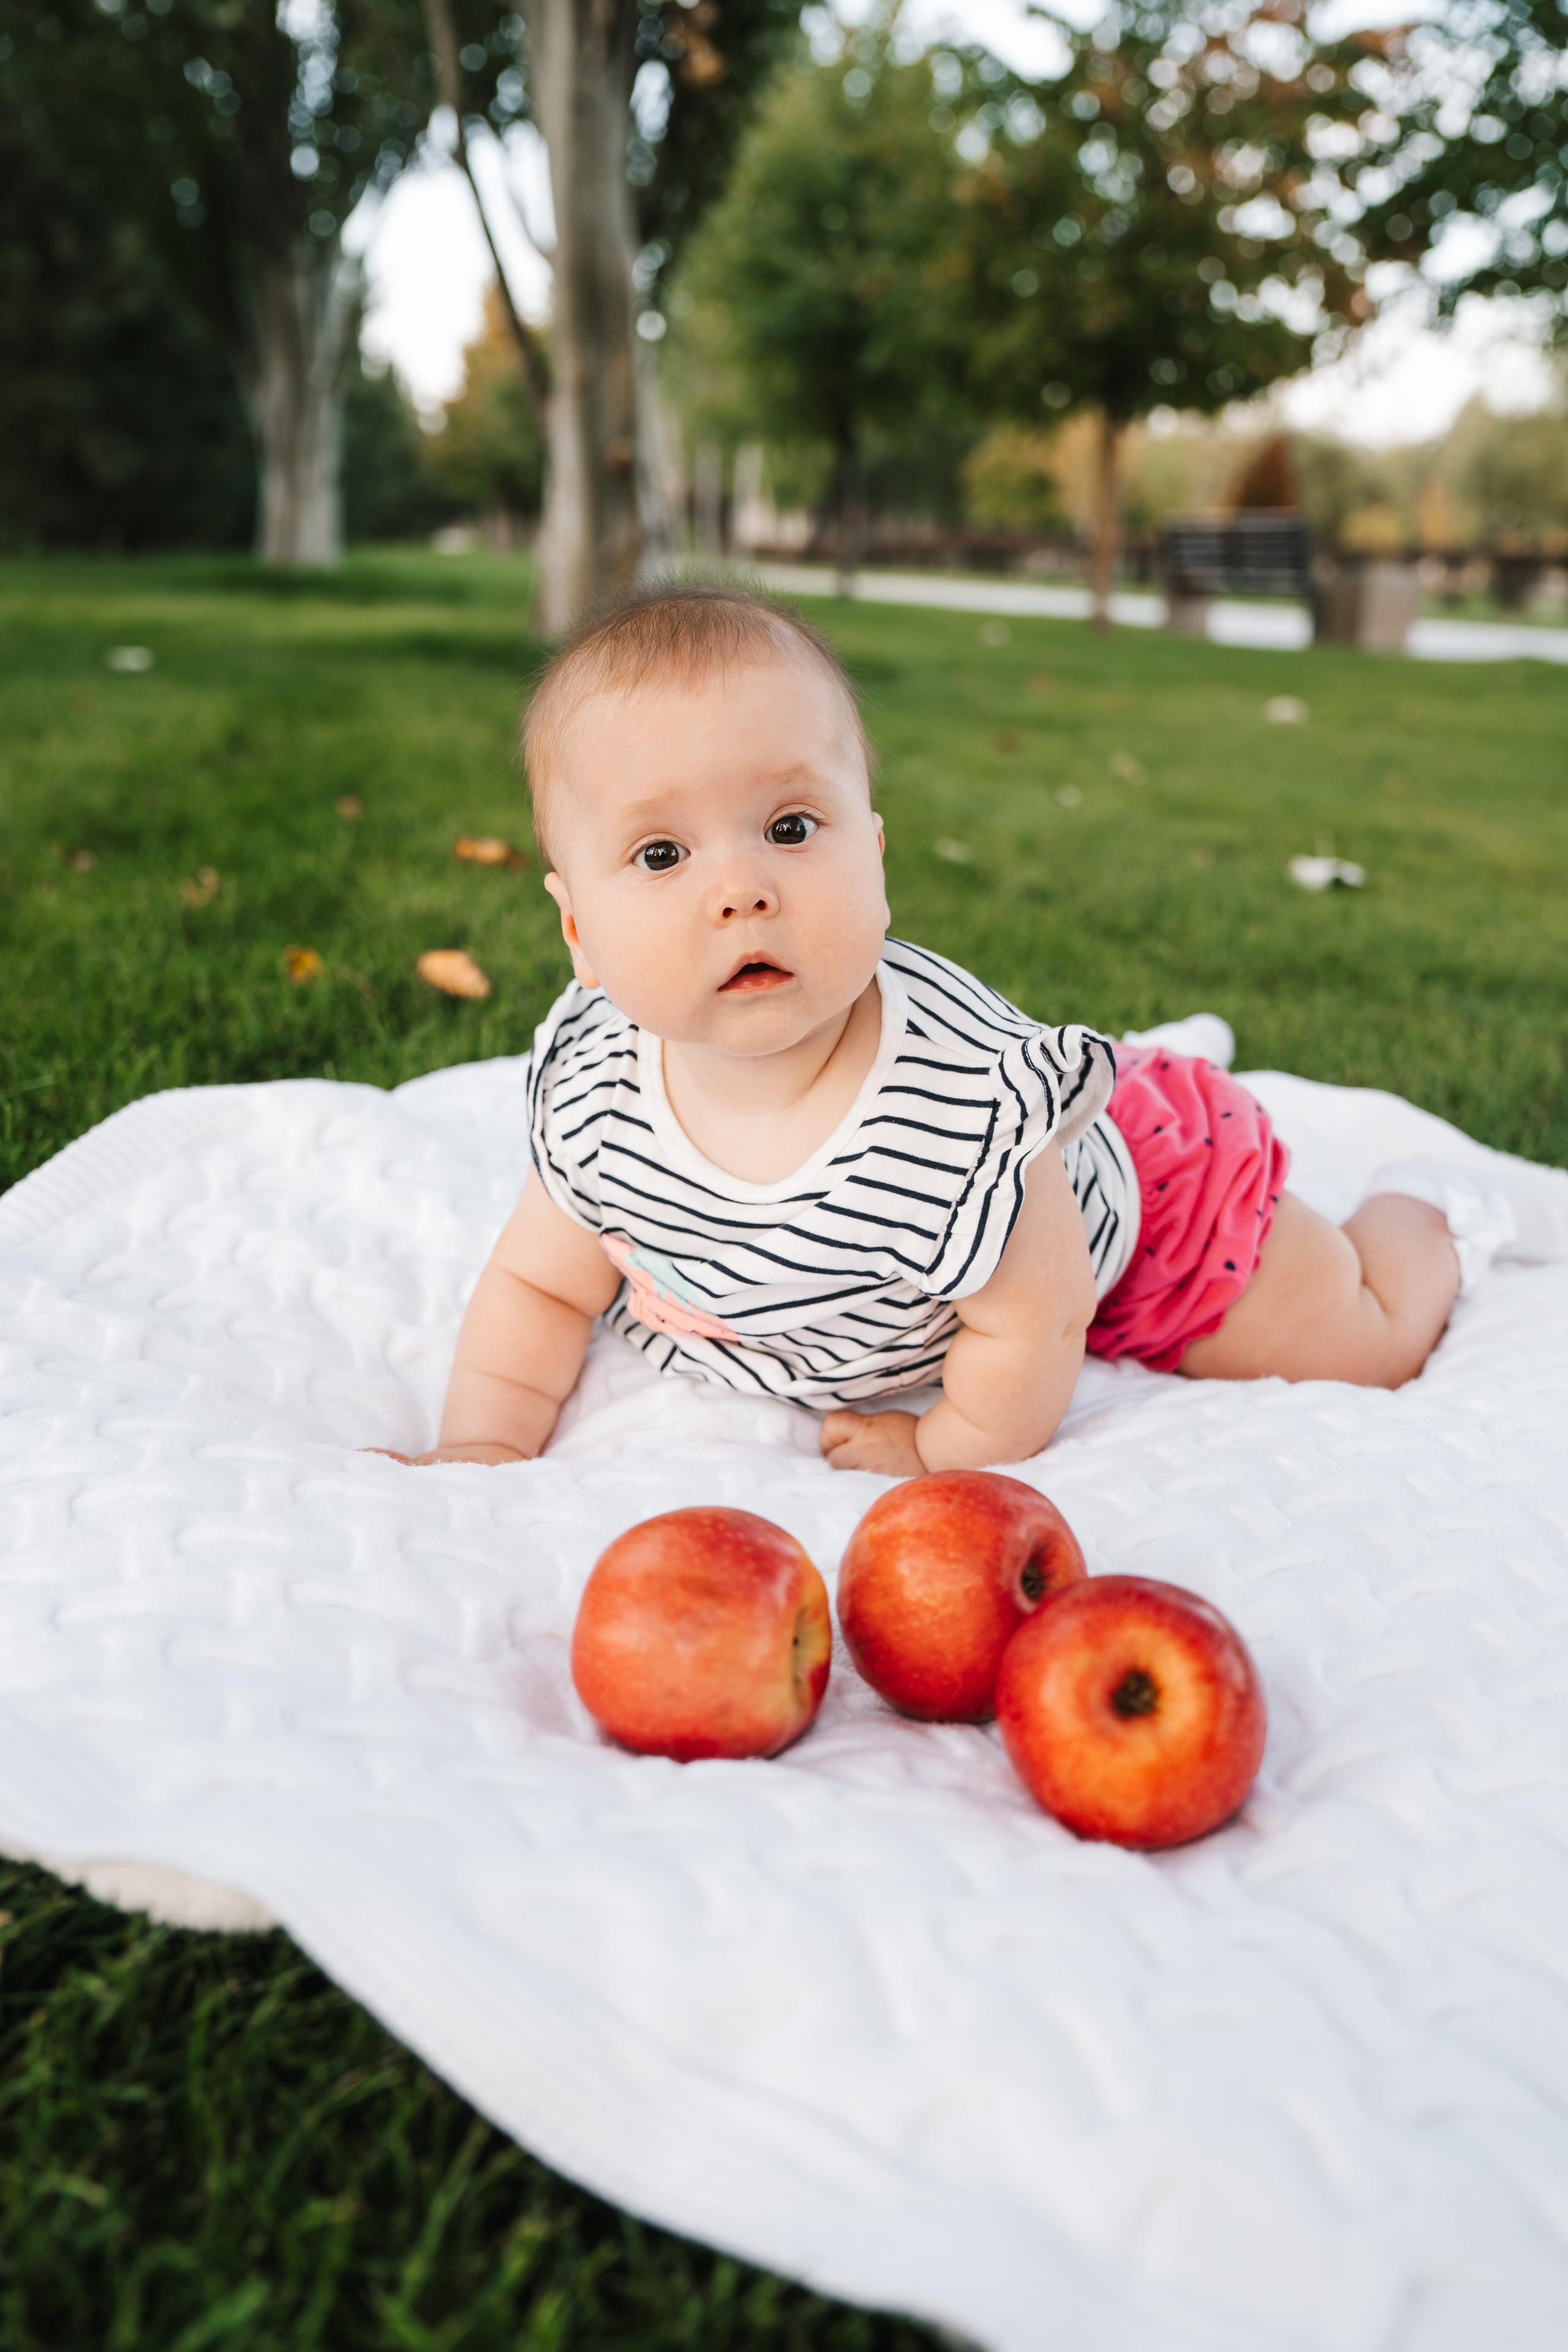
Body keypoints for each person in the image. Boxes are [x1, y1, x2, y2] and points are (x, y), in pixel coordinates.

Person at [404, 582, 1540, 1480]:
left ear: (876, 858)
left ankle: (1424, 1213)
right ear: (578, 933)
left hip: (1139, 1216)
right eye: (662, 855)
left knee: (1364, 1346)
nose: (741, 889)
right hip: (935, 1272)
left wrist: (940, 1449)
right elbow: (541, 1289)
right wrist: (482, 1453)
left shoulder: (956, 1109)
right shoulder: (599, 1090)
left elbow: (1037, 1328)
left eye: (791, 826)